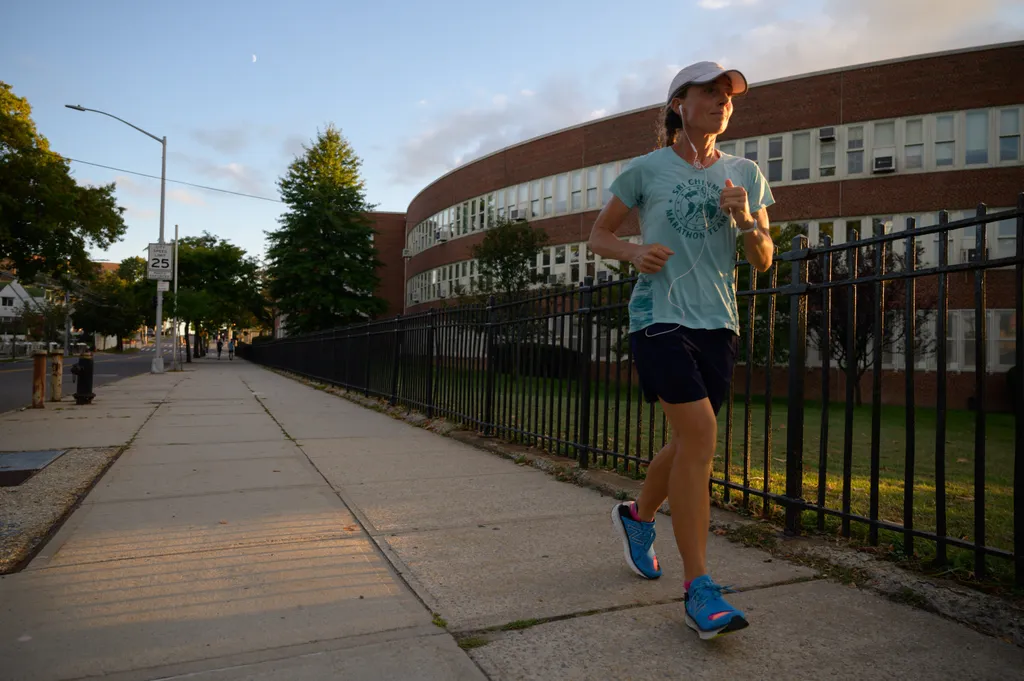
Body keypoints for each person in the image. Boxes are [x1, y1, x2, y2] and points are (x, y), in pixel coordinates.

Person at [587, 61, 775, 640]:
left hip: (718, 322)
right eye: (710, 93)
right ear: (679, 105)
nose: (722, 102)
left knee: (691, 437)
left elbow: (764, 259)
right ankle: (700, 588)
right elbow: (598, 235)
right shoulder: (646, 169)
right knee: (700, 438)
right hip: (658, 317)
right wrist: (633, 252)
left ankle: (638, 516)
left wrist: (746, 220)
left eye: (728, 96)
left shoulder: (745, 172)